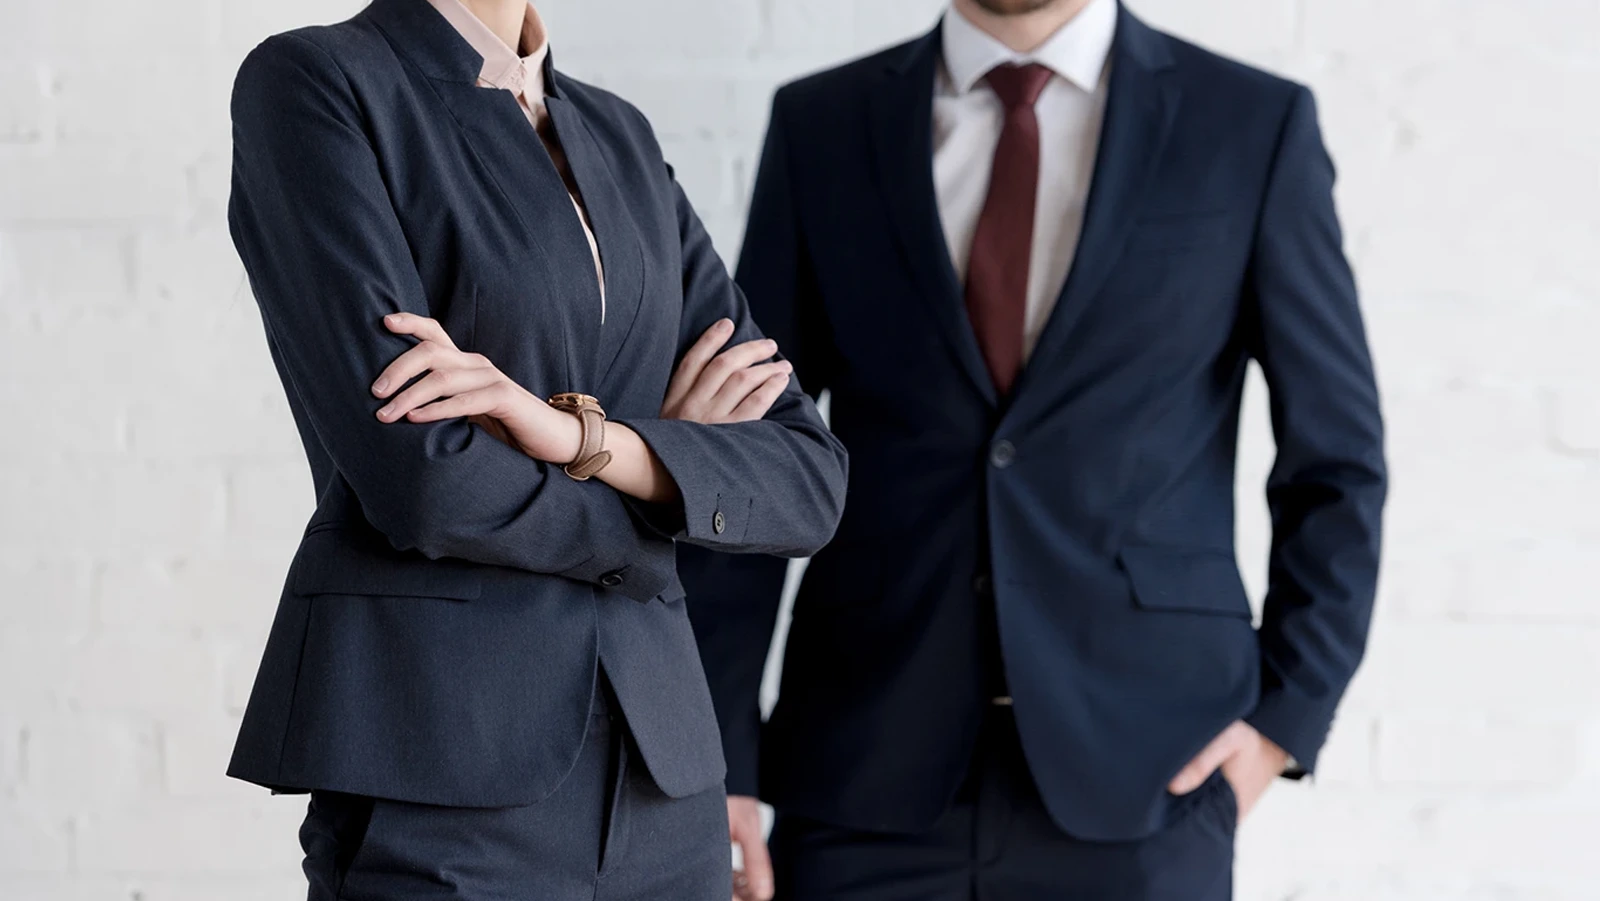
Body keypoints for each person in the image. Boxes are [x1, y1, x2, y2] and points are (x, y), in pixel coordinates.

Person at [681, 0, 1387, 898]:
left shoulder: (1249, 123)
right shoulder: (824, 123)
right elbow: (746, 454)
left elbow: (1337, 460)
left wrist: (1285, 720)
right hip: (862, 769)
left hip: (1152, 780)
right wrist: (719, 754)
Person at [223, 0, 848, 897]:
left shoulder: (618, 132)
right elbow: (426, 485)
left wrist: (578, 437)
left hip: (667, 787)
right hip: (440, 771)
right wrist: (669, 490)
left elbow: (808, 480)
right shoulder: (320, 82)